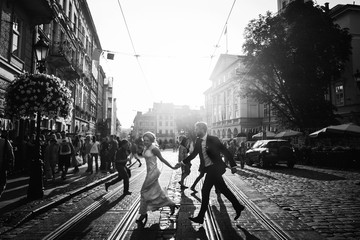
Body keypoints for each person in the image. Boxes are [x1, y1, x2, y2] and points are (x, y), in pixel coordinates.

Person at [180, 122, 245, 224]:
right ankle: (238, 206)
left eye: (197, 129)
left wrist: (233, 165)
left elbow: (225, 151)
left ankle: (200, 217)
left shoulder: (213, 139)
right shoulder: (198, 140)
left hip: (215, 168)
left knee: (205, 191)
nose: (195, 130)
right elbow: (194, 154)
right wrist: (183, 162)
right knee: (223, 189)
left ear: (202, 129)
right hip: (209, 169)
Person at [136, 131, 180, 226]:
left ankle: (143, 214)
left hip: (153, 173)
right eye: (144, 140)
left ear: (152, 140)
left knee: (143, 191)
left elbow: (162, 159)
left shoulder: (154, 149)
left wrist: (172, 167)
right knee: (157, 192)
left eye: (147, 140)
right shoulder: (145, 147)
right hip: (149, 172)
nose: (145, 142)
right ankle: (170, 204)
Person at [0, 132, 14, 198]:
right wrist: (12, 164)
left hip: (2, 165)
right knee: (2, 182)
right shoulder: (5, 142)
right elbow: (11, 154)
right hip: (2, 166)